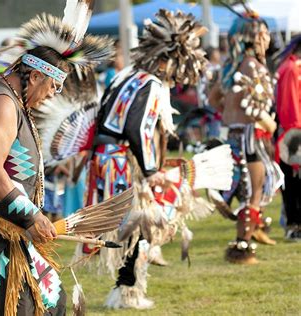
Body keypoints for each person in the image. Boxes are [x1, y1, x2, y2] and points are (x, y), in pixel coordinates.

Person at [0, 8, 112, 315]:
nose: (51, 96)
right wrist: (32, 216)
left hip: (6, 228)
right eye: (51, 87)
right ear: (34, 76)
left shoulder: (12, 102)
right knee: (12, 307)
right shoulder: (2, 104)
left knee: (51, 301)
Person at [84, 10, 209, 309]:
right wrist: (151, 169)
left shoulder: (129, 75)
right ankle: (127, 292)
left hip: (107, 156)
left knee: (137, 226)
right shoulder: (151, 84)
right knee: (137, 227)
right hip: (118, 159)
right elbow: (137, 128)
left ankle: (125, 290)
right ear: (173, 58)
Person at [209, 9, 281, 264]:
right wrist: (271, 124)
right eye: (264, 34)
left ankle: (253, 234)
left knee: (248, 191)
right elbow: (257, 110)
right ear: (254, 38)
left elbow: (212, 98)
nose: (268, 39)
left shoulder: (229, 66)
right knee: (254, 192)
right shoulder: (254, 66)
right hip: (252, 137)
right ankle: (241, 249)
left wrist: (230, 113)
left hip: (233, 135)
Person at [275, 35, 301, 241]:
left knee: (295, 183)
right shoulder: (291, 70)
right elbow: (290, 107)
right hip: (292, 134)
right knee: (294, 183)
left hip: (292, 131)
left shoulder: (292, 67)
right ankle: (294, 226)